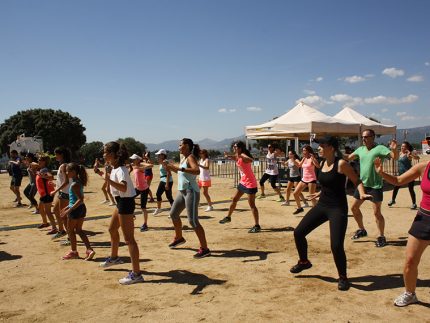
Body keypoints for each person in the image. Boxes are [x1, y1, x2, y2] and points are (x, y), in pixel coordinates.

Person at [290, 136, 370, 291]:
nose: (319, 148)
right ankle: (304, 262)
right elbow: (329, 185)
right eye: (318, 146)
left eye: (322, 145)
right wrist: (319, 194)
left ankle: (343, 277)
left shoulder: (341, 164)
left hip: (337, 209)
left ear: (332, 148)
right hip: (322, 205)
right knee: (298, 233)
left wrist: (362, 193)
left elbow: (357, 181)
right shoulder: (322, 164)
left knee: (336, 245)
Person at [374, 136, 430, 306]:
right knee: (410, 261)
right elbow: (398, 181)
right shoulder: (424, 167)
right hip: (424, 218)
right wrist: (381, 173)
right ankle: (410, 293)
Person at [96, 142, 143, 285]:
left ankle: (136, 274)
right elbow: (112, 179)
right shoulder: (115, 168)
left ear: (113, 154)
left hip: (125, 202)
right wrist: (100, 173)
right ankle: (114, 257)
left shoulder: (121, 169)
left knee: (129, 239)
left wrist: (107, 179)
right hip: (120, 202)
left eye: (105, 152)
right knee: (111, 229)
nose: (103, 154)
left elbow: (123, 187)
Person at [346, 129, 398, 247]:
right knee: (354, 208)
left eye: (366, 137)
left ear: (373, 137)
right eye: (362, 137)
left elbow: (394, 157)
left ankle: (381, 236)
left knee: (376, 212)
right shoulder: (360, 149)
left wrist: (394, 149)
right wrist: (334, 152)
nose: (363, 139)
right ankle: (362, 230)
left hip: (375, 186)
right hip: (362, 185)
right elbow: (348, 157)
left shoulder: (380, 148)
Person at [163, 138, 210, 258]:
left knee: (193, 221)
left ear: (187, 146)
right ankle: (179, 238)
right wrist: (169, 167)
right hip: (182, 191)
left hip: (191, 192)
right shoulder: (184, 158)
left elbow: (196, 170)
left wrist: (179, 168)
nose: (179, 147)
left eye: (180, 145)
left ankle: (205, 248)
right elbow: (179, 171)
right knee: (173, 214)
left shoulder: (190, 157)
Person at [219, 141, 261, 233]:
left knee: (252, 205)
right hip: (243, 182)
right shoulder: (237, 156)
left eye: (235, 147)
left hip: (250, 183)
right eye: (233, 147)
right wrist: (228, 156)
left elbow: (250, 160)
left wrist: (242, 155)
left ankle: (257, 225)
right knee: (234, 199)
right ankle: (228, 217)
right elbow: (235, 157)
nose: (234, 148)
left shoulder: (243, 156)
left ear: (240, 148)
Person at [60, 163, 95, 261]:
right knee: (79, 230)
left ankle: (74, 252)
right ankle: (89, 249)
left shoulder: (74, 184)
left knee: (70, 231)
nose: (66, 173)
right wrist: (67, 207)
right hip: (81, 208)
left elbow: (80, 199)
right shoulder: (78, 182)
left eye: (68, 171)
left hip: (76, 209)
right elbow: (74, 199)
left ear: (74, 172)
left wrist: (69, 210)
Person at [387, 141, 419, 210]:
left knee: (411, 189)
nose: (402, 147)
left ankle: (414, 203)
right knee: (396, 187)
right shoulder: (400, 153)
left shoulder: (408, 154)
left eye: (404, 146)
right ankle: (393, 200)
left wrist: (411, 154)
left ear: (407, 148)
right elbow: (393, 155)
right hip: (401, 174)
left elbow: (417, 158)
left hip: (409, 174)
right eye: (401, 146)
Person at [50, 147, 72, 240]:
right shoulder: (63, 165)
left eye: (56, 154)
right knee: (55, 211)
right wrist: (55, 185)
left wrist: (55, 190)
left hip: (65, 194)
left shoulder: (64, 166)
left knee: (64, 216)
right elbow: (64, 181)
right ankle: (61, 230)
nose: (55, 157)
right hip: (62, 193)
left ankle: (70, 237)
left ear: (61, 155)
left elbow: (66, 181)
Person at [292, 145, 320, 214]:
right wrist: (293, 160)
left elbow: (318, 166)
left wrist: (313, 158)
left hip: (311, 179)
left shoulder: (312, 158)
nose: (303, 152)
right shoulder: (304, 158)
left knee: (312, 197)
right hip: (304, 179)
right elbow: (299, 165)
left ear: (308, 151)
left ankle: (317, 211)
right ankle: (299, 208)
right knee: (295, 193)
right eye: (303, 150)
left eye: (304, 150)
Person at [129, 154, 152, 232]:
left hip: (144, 189)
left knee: (143, 208)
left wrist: (141, 167)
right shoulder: (133, 165)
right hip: (138, 188)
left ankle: (145, 224)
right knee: (129, 199)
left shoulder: (140, 164)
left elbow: (151, 165)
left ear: (138, 159)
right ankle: (132, 214)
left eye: (133, 159)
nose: (132, 160)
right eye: (132, 159)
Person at [34, 158, 58, 234]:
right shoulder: (41, 169)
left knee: (48, 211)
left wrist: (42, 175)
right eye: (38, 160)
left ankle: (54, 228)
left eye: (40, 160)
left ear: (44, 162)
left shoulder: (44, 170)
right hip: (44, 193)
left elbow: (51, 177)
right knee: (40, 208)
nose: (38, 161)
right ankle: (45, 223)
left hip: (48, 193)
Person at [153, 149, 174, 215]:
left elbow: (169, 173)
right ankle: (159, 209)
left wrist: (167, 184)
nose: (158, 156)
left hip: (167, 181)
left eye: (159, 155)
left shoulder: (165, 162)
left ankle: (174, 211)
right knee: (158, 194)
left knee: (169, 196)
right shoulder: (162, 162)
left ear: (163, 155)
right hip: (163, 180)